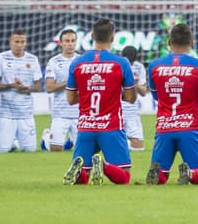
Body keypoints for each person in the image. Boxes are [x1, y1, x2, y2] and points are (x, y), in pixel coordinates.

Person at [64, 18, 137, 186]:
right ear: (112, 38)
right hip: (111, 126)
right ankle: (103, 165)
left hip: (86, 126)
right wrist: (111, 93)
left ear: (92, 36)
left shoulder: (78, 62)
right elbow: (131, 98)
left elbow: (70, 99)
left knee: (83, 174)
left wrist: (87, 94)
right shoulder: (121, 63)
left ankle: (82, 171)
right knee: (124, 177)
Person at [146, 22, 198, 185]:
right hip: (190, 128)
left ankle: (157, 172)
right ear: (191, 43)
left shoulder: (155, 66)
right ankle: (189, 173)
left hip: (164, 127)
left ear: (169, 43)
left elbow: (156, 96)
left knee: (161, 176)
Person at [0, 30, 41, 153]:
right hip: (6, 113)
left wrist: (27, 88)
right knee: (2, 151)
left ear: (26, 43)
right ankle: (11, 142)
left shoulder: (32, 59)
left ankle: (15, 142)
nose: (19, 45)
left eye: (22, 42)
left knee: (30, 150)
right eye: (16, 41)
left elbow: (39, 86)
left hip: (26, 113)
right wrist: (11, 85)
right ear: (10, 42)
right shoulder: (1, 58)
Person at [41, 27, 80, 153]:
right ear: (61, 43)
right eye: (67, 41)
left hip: (80, 113)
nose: (70, 44)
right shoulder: (54, 62)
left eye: (72, 41)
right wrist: (69, 82)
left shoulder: (82, 61)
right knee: (56, 149)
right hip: (60, 113)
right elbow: (49, 87)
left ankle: (71, 141)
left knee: (84, 151)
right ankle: (47, 138)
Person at [120, 45, 148, 151]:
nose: (129, 65)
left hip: (132, 112)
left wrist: (133, 84)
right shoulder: (117, 66)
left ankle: (120, 143)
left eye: (131, 62)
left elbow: (144, 92)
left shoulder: (139, 67)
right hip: (118, 111)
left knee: (139, 148)